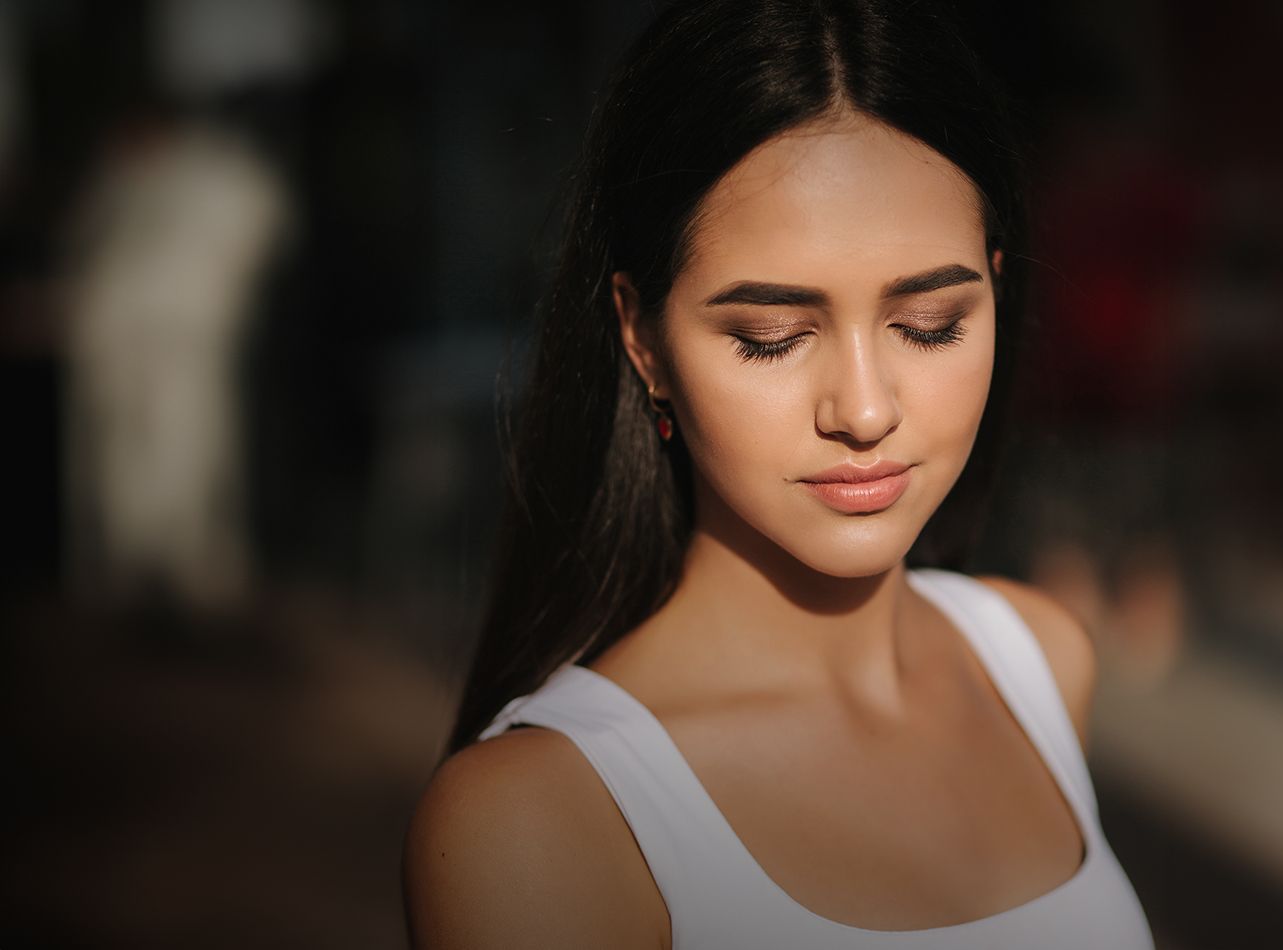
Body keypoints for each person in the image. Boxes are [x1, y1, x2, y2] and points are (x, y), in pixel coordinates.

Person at [404, 1, 1156, 946]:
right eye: (771, 339)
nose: (866, 409)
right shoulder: (540, 820)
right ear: (642, 338)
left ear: (998, 289)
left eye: (930, 324)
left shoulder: (1039, 662)